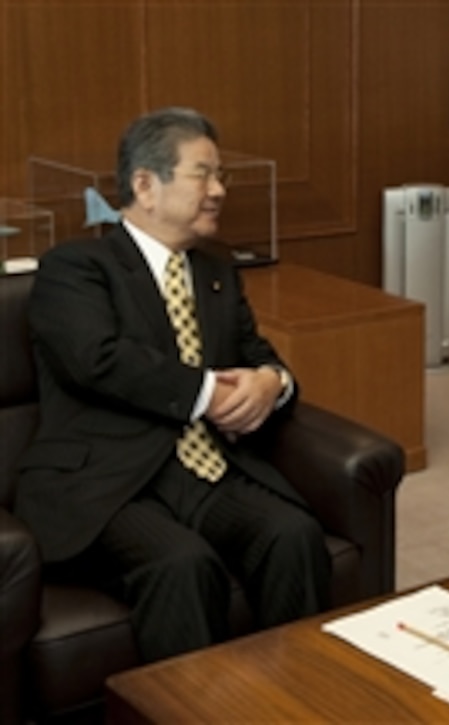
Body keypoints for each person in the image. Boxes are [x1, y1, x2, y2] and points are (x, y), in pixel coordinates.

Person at [14, 107, 331, 662]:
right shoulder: (75, 267)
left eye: (222, 176)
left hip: (205, 471)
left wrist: (269, 382)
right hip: (109, 482)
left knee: (293, 535)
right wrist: (212, 393)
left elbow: (258, 356)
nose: (219, 190)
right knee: (182, 564)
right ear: (145, 185)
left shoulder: (215, 270)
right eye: (203, 174)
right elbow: (98, 358)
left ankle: (294, 705)